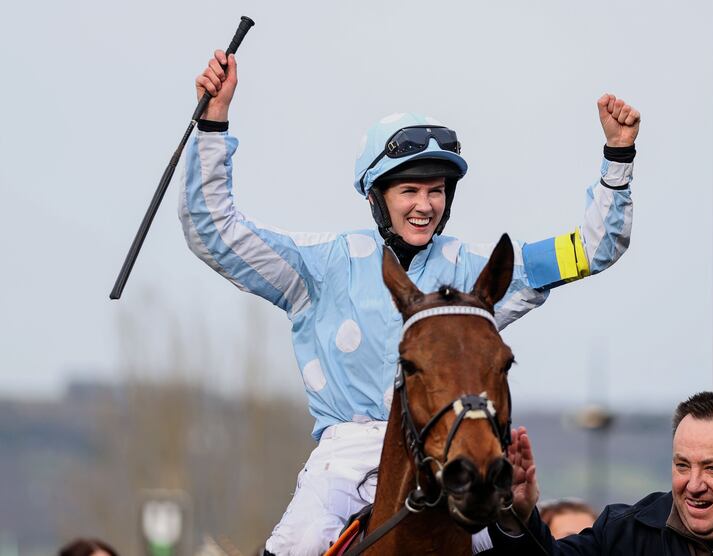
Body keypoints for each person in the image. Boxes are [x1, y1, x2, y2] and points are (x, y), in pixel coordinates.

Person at [183, 50, 640, 556]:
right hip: (346, 461)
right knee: (299, 542)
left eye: (436, 191)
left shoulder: (477, 274)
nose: (425, 206)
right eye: (409, 190)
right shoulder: (320, 265)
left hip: (453, 457)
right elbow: (215, 231)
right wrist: (213, 122)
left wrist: (617, 159)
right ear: (376, 195)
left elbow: (592, 249)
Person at [492, 391, 713, 555]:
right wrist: (518, 516)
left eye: (712, 468)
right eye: (682, 465)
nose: (693, 485)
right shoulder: (625, 534)